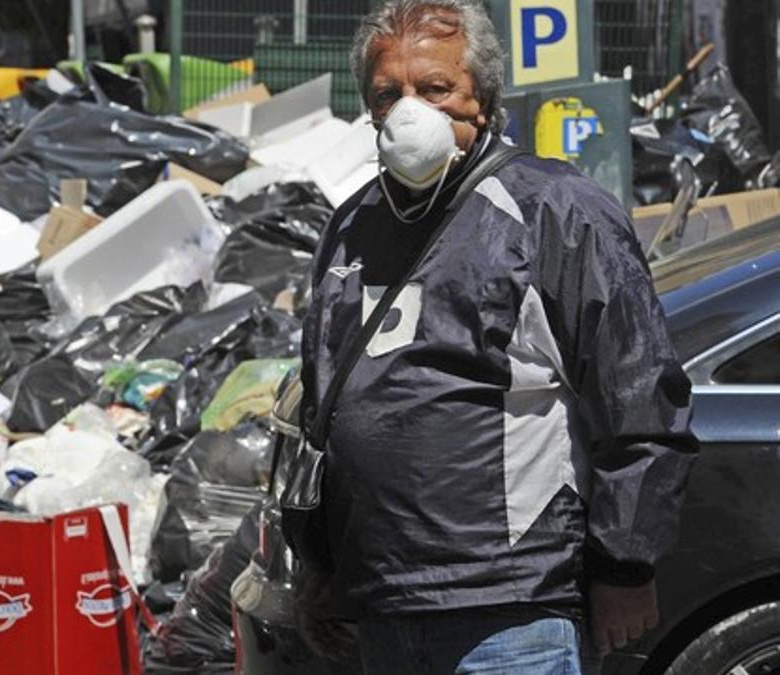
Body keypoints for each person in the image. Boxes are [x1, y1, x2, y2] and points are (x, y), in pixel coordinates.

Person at [296, 1, 698, 673]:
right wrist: (317, 567)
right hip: (383, 609)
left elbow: (641, 400)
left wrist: (624, 565)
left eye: (434, 89)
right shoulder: (350, 228)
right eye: (387, 94)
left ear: (480, 99)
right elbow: (320, 405)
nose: (408, 112)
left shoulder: (555, 211)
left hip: (512, 613)